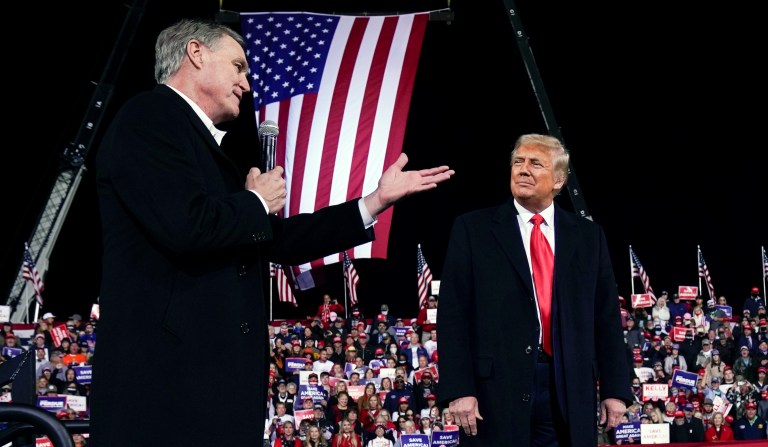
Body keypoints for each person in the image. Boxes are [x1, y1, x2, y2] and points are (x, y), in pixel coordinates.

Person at [87, 18, 453, 447]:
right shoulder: (149, 117)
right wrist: (255, 202)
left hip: (208, 385)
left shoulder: (203, 148)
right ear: (196, 53)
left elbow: (277, 240)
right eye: (238, 66)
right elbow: (186, 226)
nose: (247, 82)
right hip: (168, 386)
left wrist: (373, 202)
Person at [437, 134, 631, 446]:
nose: (523, 170)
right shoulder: (473, 229)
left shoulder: (588, 237)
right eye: (518, 162)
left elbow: (606, 318)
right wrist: (459, 389)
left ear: (558, 180)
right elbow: (452, 316)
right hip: (495, 392)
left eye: (535, 164)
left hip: (569, 387)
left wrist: (615, 390)